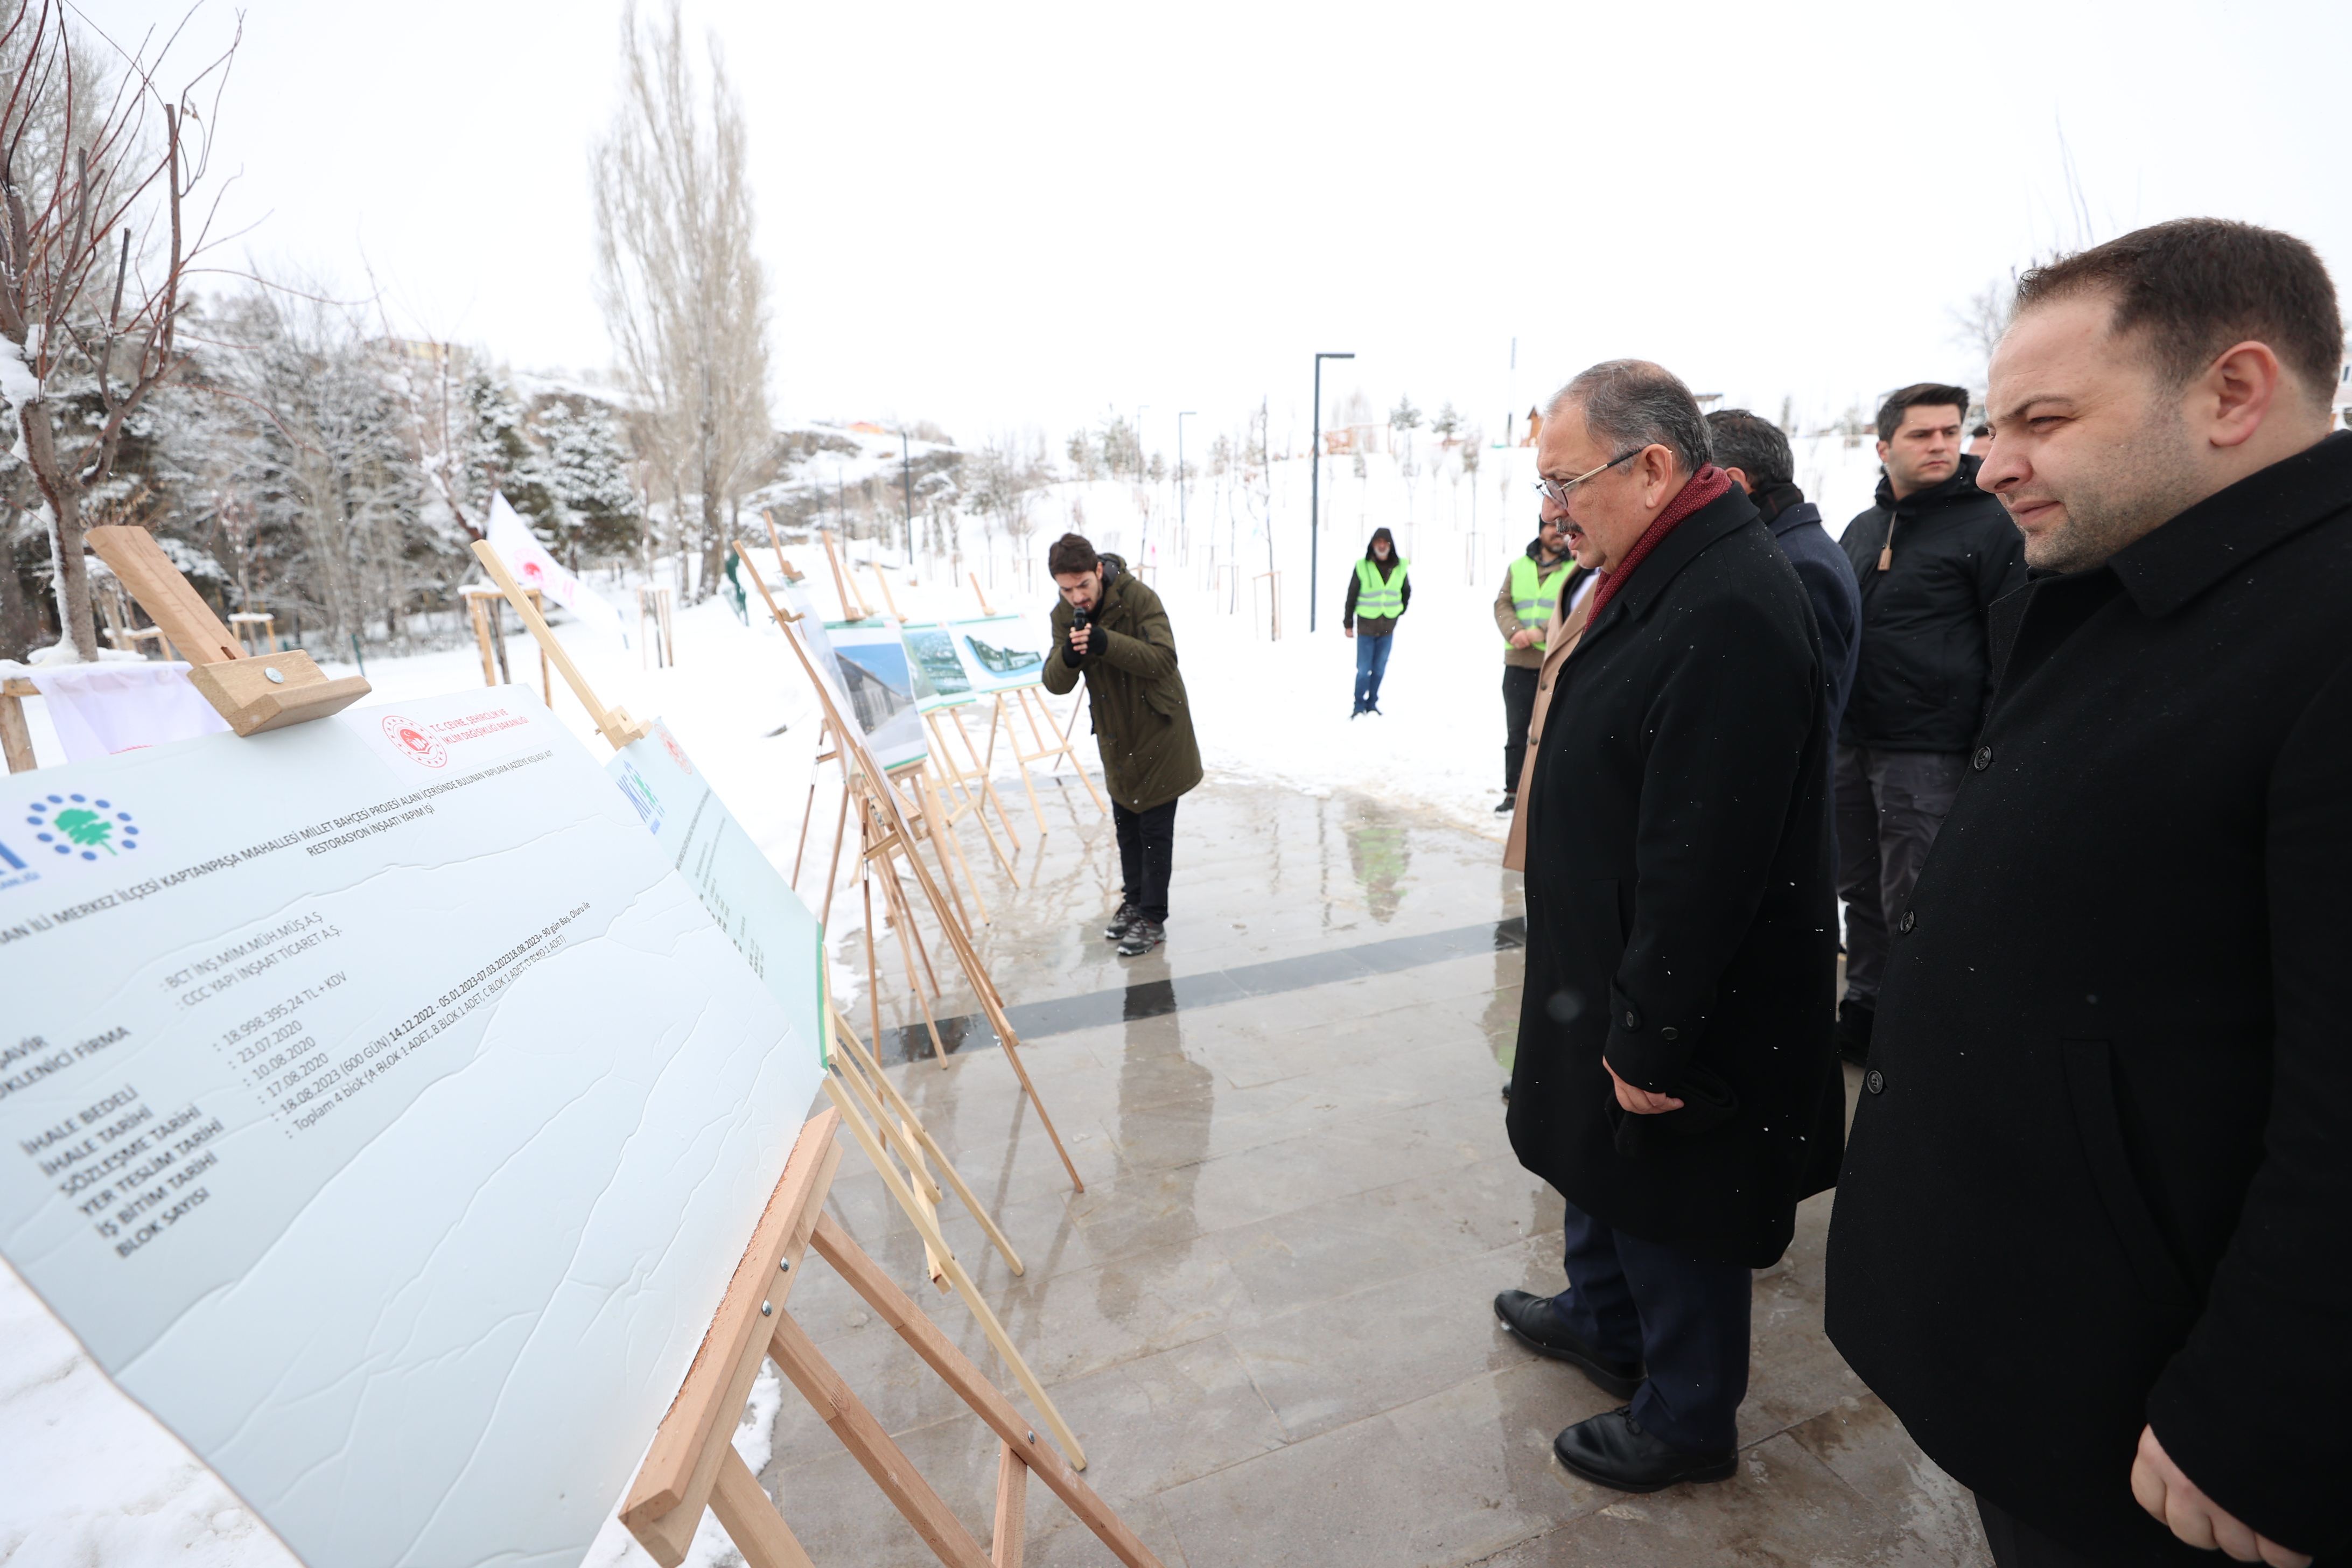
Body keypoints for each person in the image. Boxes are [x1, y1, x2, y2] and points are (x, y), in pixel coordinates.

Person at [1826, 218, 2351, 1567]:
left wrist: (2272, 1403)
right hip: (2063, 1371)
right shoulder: (2131, 584)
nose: (1994, 462)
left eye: (2042, 420)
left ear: (2234, 392)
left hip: (2179, 1452)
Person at [1495, 360, 1841, 1494]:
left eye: (1565, 482)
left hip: (1678, 979)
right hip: (1610, 948)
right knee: (1601, 1157)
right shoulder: (1652, 567)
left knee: (1669, 1178)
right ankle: (1606, 1319)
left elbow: (1708, 856)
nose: (1552, 511)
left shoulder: (1732, 603)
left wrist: (1651, 1029)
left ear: (1652, 468)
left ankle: (1689, 1413)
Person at [1832, 383, 2025, 1065]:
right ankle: (1866, 1004)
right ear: (1884, 447)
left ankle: (1922, 1025)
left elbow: (2012, 641)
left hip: (1930, 749)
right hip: (1852, 740)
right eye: (1922, 434)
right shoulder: (1860, 528)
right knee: (1858, 886)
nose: (1941, 444)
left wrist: (1989, 746)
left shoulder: (1990, 523)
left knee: (1917, 893)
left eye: (1951, 431)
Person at [1041, 532, 1202, 958]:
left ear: (1098, 571)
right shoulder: (1065, 614)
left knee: (1153, 831)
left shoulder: (1138, 598)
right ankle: (1134, 902)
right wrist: (1070, 659)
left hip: (1159, 729)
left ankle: (1153, 917)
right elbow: (1055, 682)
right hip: (1116, 735)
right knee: (1127, 825)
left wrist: (1106, 644)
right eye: (1066, 589)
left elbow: (1164, 658)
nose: (1077, 597)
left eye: (1083, 586)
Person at [1706, 408, 1862, 727]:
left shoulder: (1797, 563)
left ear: (1733, 482)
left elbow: (1791, 720)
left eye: (1696, 481)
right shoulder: (1788, 546)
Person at [1494, 514, 1588, 813]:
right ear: (1541, 531)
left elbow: (1578, 609)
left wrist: (1542, 631)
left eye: (1563, 527)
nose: (1557, 532)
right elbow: (1503, 603)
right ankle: (1513, 791)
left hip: (1558, 663)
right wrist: (1515, 632)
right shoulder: (1517, 567)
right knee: (1517, 730)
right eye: (1551, 526)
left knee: (1552, 732)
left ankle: (1544, 794)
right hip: (1519, 660)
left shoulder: (1578, 567)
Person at [1341, 526, 1410, 716]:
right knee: (1363, 670)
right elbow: (1352, 595)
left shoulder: (1400, 566)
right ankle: (1358, 705)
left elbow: (1406, 591)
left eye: (1384, 542)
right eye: (1378, 542)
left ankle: (1372, 703)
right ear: (1373, 545)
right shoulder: (1363, 566)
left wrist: (1400, 610)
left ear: (1390, 545)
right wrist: (1348, 623)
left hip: (1388, 628)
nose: (1381, 545)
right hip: (1366, 628)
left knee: (1379, 669)